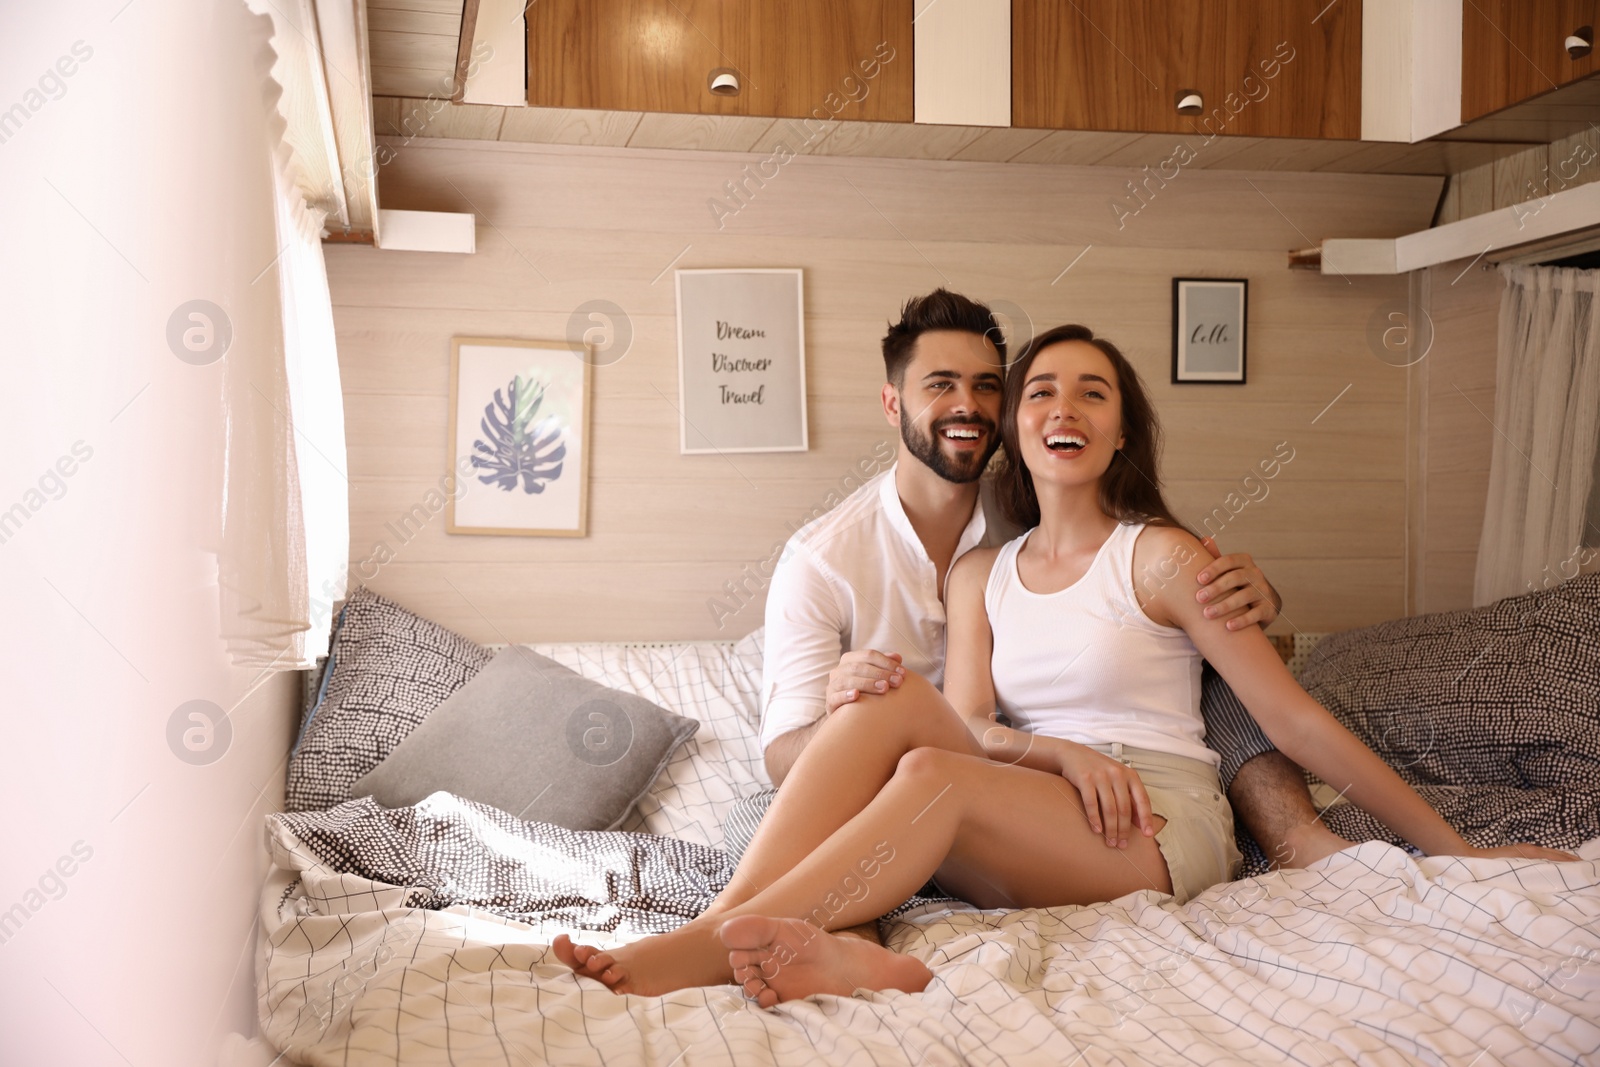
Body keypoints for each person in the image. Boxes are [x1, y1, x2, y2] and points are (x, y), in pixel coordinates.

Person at [551, 324, 1577, 1004]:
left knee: (935, 775)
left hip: (1153, 823)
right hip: (1034, 808)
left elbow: (1298, 722)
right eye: (1041, 389)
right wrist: (1046, 753)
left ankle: (693, 951)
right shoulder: (979, 573)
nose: (1063, 406)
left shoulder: (1166, 556)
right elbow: (966, 725)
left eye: (1093, 392)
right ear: (1016, 428)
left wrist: (1453, 850)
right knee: (893, 716)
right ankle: (820, 945)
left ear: (1119, 426)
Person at [742, 290, 1345, 961]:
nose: (967, 405)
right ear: (893, 403)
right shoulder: (823, 562)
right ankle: (799, 941)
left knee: (1217, 679)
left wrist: (1255, 594)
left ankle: (1300, 837)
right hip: (955, 776)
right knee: (885, 747)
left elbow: (1151, 590)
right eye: (940, 385)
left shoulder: (1032, 499)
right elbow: (780, 761)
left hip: (1054, 781)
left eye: (986, 387)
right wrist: (843, 717)